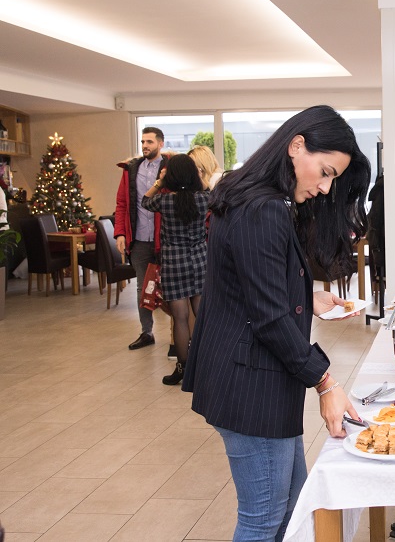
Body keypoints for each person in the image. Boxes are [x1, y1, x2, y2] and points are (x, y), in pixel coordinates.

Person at [182, 105, 370, 541]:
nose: (325, 187)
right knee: (263, 519)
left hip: (255, 379)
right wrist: (326, 383)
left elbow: (252, 286)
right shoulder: (262, 208)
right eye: (325, 172)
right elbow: (268, 318)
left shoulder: (256, 199)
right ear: (296, 146)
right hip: (250, 384)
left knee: (291, 508)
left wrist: (306, 297)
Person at [140, 154, 210, 385]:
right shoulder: (203, 199)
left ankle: (183, 368)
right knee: (202, 316)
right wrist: (200, 177)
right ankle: (207, 365)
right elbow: (213, 193)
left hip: (173, 263)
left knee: (180, 319)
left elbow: (144, 201)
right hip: (199, 260)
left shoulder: (164, 201)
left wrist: (160, 182)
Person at [115, 126, 169, 350]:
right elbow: (122, 204)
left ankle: (177, 335)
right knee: (142, 287)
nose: (145, 146)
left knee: (169, 286)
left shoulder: (169, 168)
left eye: (150, 142)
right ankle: (146, 332)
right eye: (143, 142)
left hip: (165, 238)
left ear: (160, 144)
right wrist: (120, 233)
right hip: (138, 239)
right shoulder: (131, 169)